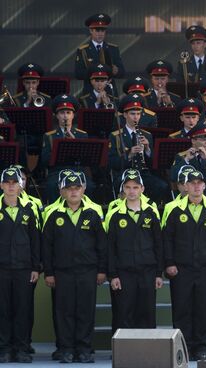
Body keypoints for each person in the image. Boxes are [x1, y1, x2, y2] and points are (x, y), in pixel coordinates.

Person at [41, 172, 106, 363]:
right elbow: (47, 246)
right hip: (62, 272)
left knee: (86, 311)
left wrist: (102, 270)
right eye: (69, 188)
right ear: (62, 192)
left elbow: (102, 245)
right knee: (64, 312)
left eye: (77, 188)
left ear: (83, 189)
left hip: (88, 271)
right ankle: (66, 349)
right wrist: (49, 272)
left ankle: (84, 348)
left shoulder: (93, 213)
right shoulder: (53, 215)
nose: (73, 191)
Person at [162, 169, 206, 361]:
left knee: (203, 309)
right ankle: (183, 346)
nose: (196, 186)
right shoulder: (172, 208)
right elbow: (166, 239)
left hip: (205, 268)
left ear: (204, 185)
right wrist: (169, 263)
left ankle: (200, 347)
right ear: (185, 186)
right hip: (180, 268)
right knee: (181, 308)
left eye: (200, 183)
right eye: (192, 183)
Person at [105, 170, 163, 330]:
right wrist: (113, 275)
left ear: (142, 189)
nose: (132, 191)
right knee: (123, 313)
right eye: (128, 187)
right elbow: (110, 247)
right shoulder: (114, 214)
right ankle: (122, 351)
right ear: (123, 189)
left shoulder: (151, 213)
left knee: (147, 312)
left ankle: (145, 351)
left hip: (148, 271)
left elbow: (159, 244)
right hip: (124, 272)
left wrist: (159, 273)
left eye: (135, 187)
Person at [0, 168, 40, 364]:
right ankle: (5, 349)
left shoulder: (29, 211)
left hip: (24, 269)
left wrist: (35, 267)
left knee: (23, 310)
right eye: (7, 183)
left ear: (21, 186)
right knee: (3, 310)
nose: (10, 186)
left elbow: (35, 241)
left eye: (14, 182)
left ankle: (22, 349)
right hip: (2, 270)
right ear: (1, 186)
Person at [108, 94, 169, 203]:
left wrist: (147, 149)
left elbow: (154, 163)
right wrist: (130, 154)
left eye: (138, 114)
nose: (136, 117)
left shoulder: (147, 135)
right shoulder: (116, 135)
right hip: (124, 174)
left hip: (142, 173)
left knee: (162, 186)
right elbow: (112, 162)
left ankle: (149, 210)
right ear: (125, 115)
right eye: (132, 114)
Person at [41, 94, 94, 204]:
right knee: (51, 185)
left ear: (73, 115)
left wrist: (74, 143)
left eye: (68, 113)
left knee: (90, 186)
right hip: (57, 172)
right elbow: (44, 160)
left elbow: (87, 159)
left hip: (78, 171)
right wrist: (61, 147)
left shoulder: (82, 135)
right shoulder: (49, 135)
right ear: (57, 116)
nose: (65, 116)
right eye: (62, 113)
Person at [74, 13, 125, 93]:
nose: (100, 33)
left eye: (103, 30)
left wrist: (116, 71)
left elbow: (122, 73)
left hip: (110, 92)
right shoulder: (83, 50)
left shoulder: (113, 49)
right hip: (90, 93)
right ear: (91, 30)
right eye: (97, 30)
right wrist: (95, 74)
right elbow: (78, 74)